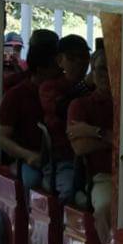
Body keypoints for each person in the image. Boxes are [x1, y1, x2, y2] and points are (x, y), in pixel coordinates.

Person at [0, 29, 61, 192]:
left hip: (59, 159)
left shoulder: (67, 89)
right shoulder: (16, 94)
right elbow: (2, 138)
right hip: (28, 160)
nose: (61, 70)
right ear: (41, 68)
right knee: (32, 180)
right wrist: (27, 155)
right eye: (56, 66)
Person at [67, 50, 116, 243]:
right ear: (92, 73)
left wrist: (94, 131)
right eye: (100, 69)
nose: (106, 75)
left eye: (112, 68)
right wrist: (111, 137)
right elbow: (80, 147)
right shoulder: (80, 105)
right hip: (103, 177)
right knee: (105, 207)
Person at [37, 35, 91, 203]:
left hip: (93, 157)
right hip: (62, 160)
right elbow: (62, 109)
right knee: (68, 192)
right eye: (72, 58)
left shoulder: (97, 88)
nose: (79, 62)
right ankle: (60, 227)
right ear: (60, 60)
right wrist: (86, 85)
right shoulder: (49, 87)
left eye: (84, 57)